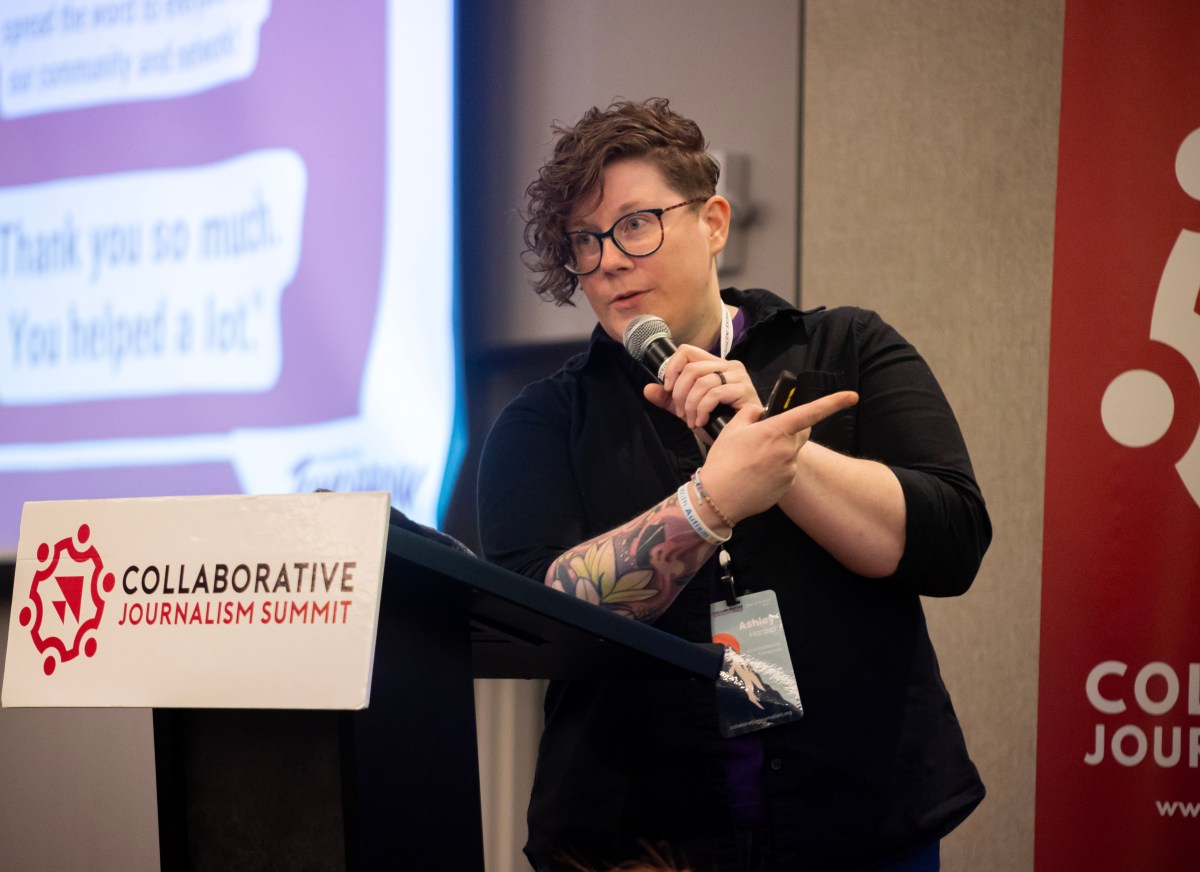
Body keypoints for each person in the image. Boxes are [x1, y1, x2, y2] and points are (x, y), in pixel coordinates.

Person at [477, 98, 991, 872]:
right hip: (638, 843)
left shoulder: (848, 348)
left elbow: (950, 543)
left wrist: (774, 453)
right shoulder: (544, 422)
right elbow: (535, 618)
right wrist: (706, 505)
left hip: (861, 824)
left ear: (713, 221)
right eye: (584, 241)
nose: (608, 259)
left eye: (634, 224)